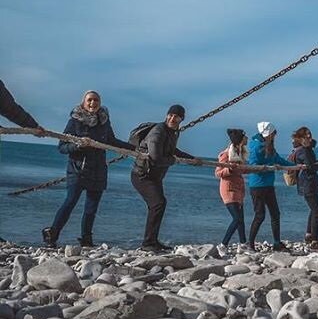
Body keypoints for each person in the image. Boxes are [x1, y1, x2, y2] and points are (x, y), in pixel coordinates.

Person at [42, 90, 133, 248]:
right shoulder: (75, 121)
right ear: (84, 103)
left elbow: (111, 141)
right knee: (70, 202)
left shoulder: (104, 121)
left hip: (99, 169)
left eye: (96, 100)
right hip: (78, 169)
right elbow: (62, 147)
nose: (93, 103)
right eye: (90, 100)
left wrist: (134, 149)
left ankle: (86, 239)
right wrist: (77, 145)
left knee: (91, 208)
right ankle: (52, 234)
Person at [130, 104, 201, 251]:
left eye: (176, 116)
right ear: (167, 115)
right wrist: (175, 161)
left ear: (181, 119)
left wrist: (191, 159)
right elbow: (155, 158)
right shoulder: (158, 131)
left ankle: (152, 241)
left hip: (154, 177)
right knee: (158, 204)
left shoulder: (173, 132)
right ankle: (148, 243)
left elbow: (172, 149)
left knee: (157, 205)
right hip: (142, 175)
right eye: (171, 115)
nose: (172, 118)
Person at [247, 121, 296, 251]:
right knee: (260, 215)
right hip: (257, 185)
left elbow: (278, 159)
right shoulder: (255, 146)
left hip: (269, 185)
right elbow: (253, 164)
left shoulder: (270, 146)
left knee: (275, 213)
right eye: (273, 134)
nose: (274, 136)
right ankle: (250, 244)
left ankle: (276, 242)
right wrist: (269, 167)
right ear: (268, 134)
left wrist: (295, 166)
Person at [215, 128, 248, 252]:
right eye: (244, 137)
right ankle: (223, 245)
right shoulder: (226, 154)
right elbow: (218, 173)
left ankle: (243, 244)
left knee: (241, 219)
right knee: (237, 219)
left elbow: (242, 170)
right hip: (228, 189)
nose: (246, 139)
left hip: (239, 189)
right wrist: (230, 169)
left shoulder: (240, 153)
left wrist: (253, 169)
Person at [291, 126, 318, 249]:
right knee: (317, 211)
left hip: (307, 182)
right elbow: (310, 166)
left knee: (313, 209)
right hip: (307, 183)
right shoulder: (304, 150)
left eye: (310, 134)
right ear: (301, 137)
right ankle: (314, 239)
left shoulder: (305, 149)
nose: (309, 136)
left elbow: (310, 163)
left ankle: (309, 234)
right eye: (306, 135)